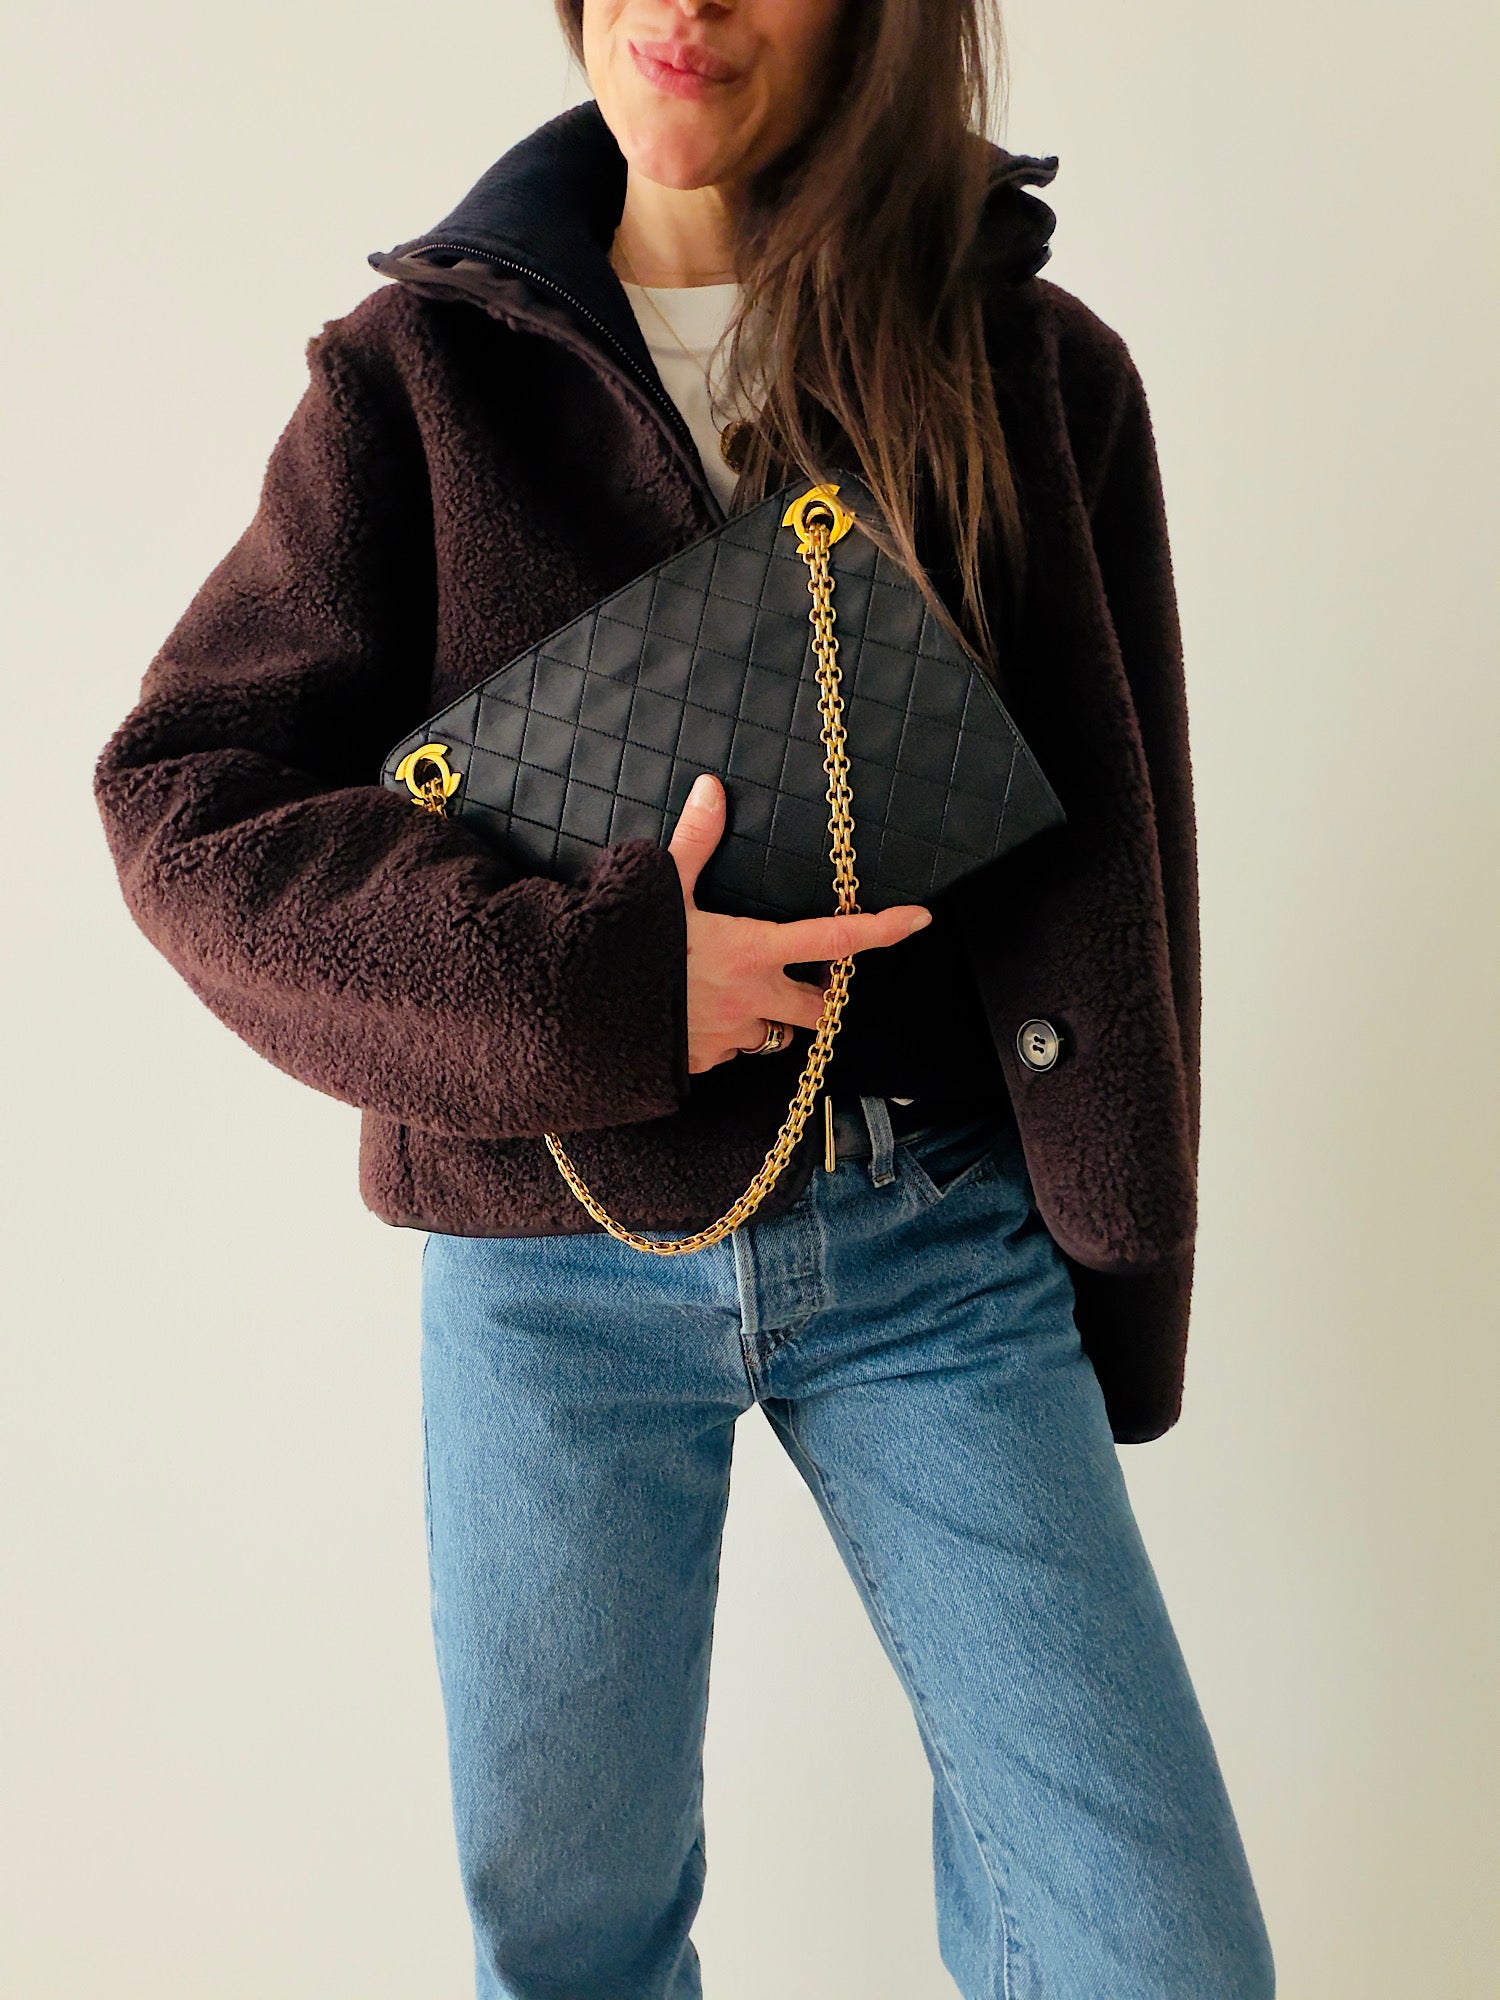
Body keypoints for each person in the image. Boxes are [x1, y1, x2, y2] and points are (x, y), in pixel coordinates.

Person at [94, 1, 1276, 1994]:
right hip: (547, 1264)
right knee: (571, 1944)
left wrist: (1124, 1273)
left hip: (936, 1236)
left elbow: (1124, 848)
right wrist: (607, 987)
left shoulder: (1027, 367)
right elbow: (183, 801)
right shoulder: (419, 377)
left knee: (1150, 1947)